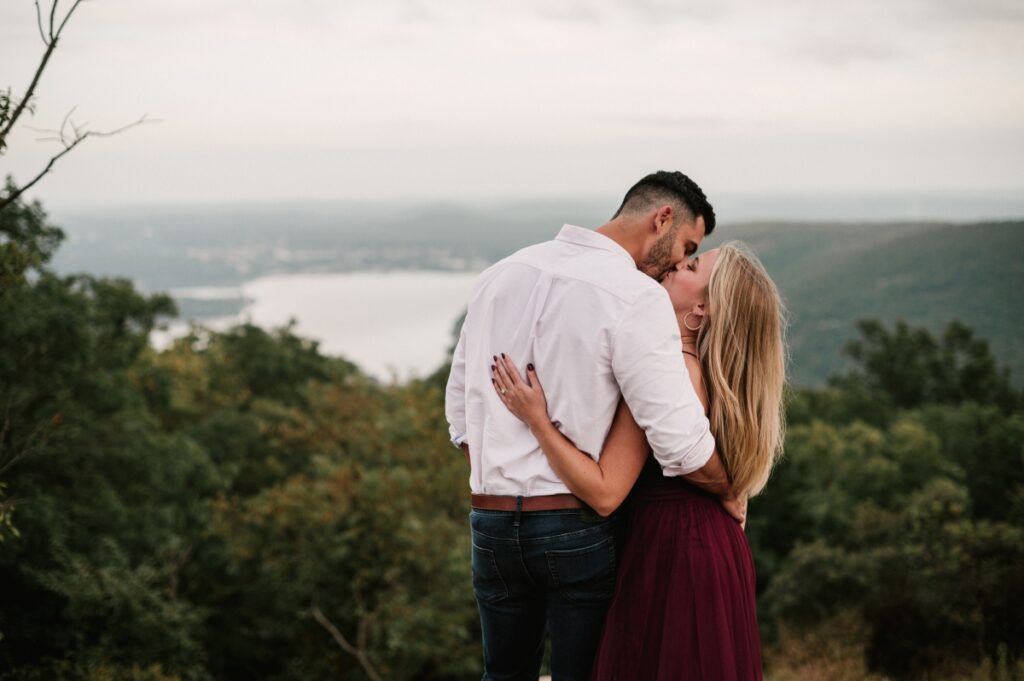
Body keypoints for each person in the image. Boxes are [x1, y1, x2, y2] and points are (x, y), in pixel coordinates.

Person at [445, 171, 744, 681]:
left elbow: (460, 414)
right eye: (688, 246)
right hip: (573, 525)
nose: (678, 262)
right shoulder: (635, 296)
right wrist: (729, 489)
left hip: (490, 522)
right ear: (662, 218)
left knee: (501, 675)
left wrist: (503, 485)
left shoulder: (500, 274)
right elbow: (679, 442)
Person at [490, 241, 786, 680]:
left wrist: (537, 421)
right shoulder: (701, 369)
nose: (671, 267)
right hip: (703, 547)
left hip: (674, 554)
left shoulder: (673, 372)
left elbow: (604, 490)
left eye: (689, 266)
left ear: (702, 308)